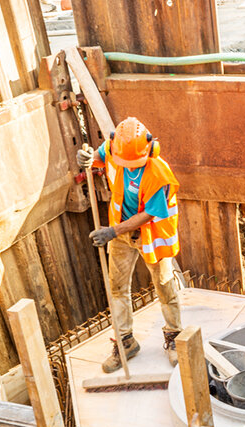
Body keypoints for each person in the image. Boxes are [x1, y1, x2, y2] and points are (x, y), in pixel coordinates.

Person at [77, 117, 182, 373]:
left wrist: (112, 231)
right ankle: (125, 342)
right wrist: (89, 160)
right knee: (117, 288)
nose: (128, 166)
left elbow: (149, 215)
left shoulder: (159, 173)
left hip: (150, 235)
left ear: (149, 148)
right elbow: (100, 158)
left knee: (165, 287)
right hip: (121, 234)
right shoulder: (114, 149)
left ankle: (174, 338)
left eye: (134, 163)